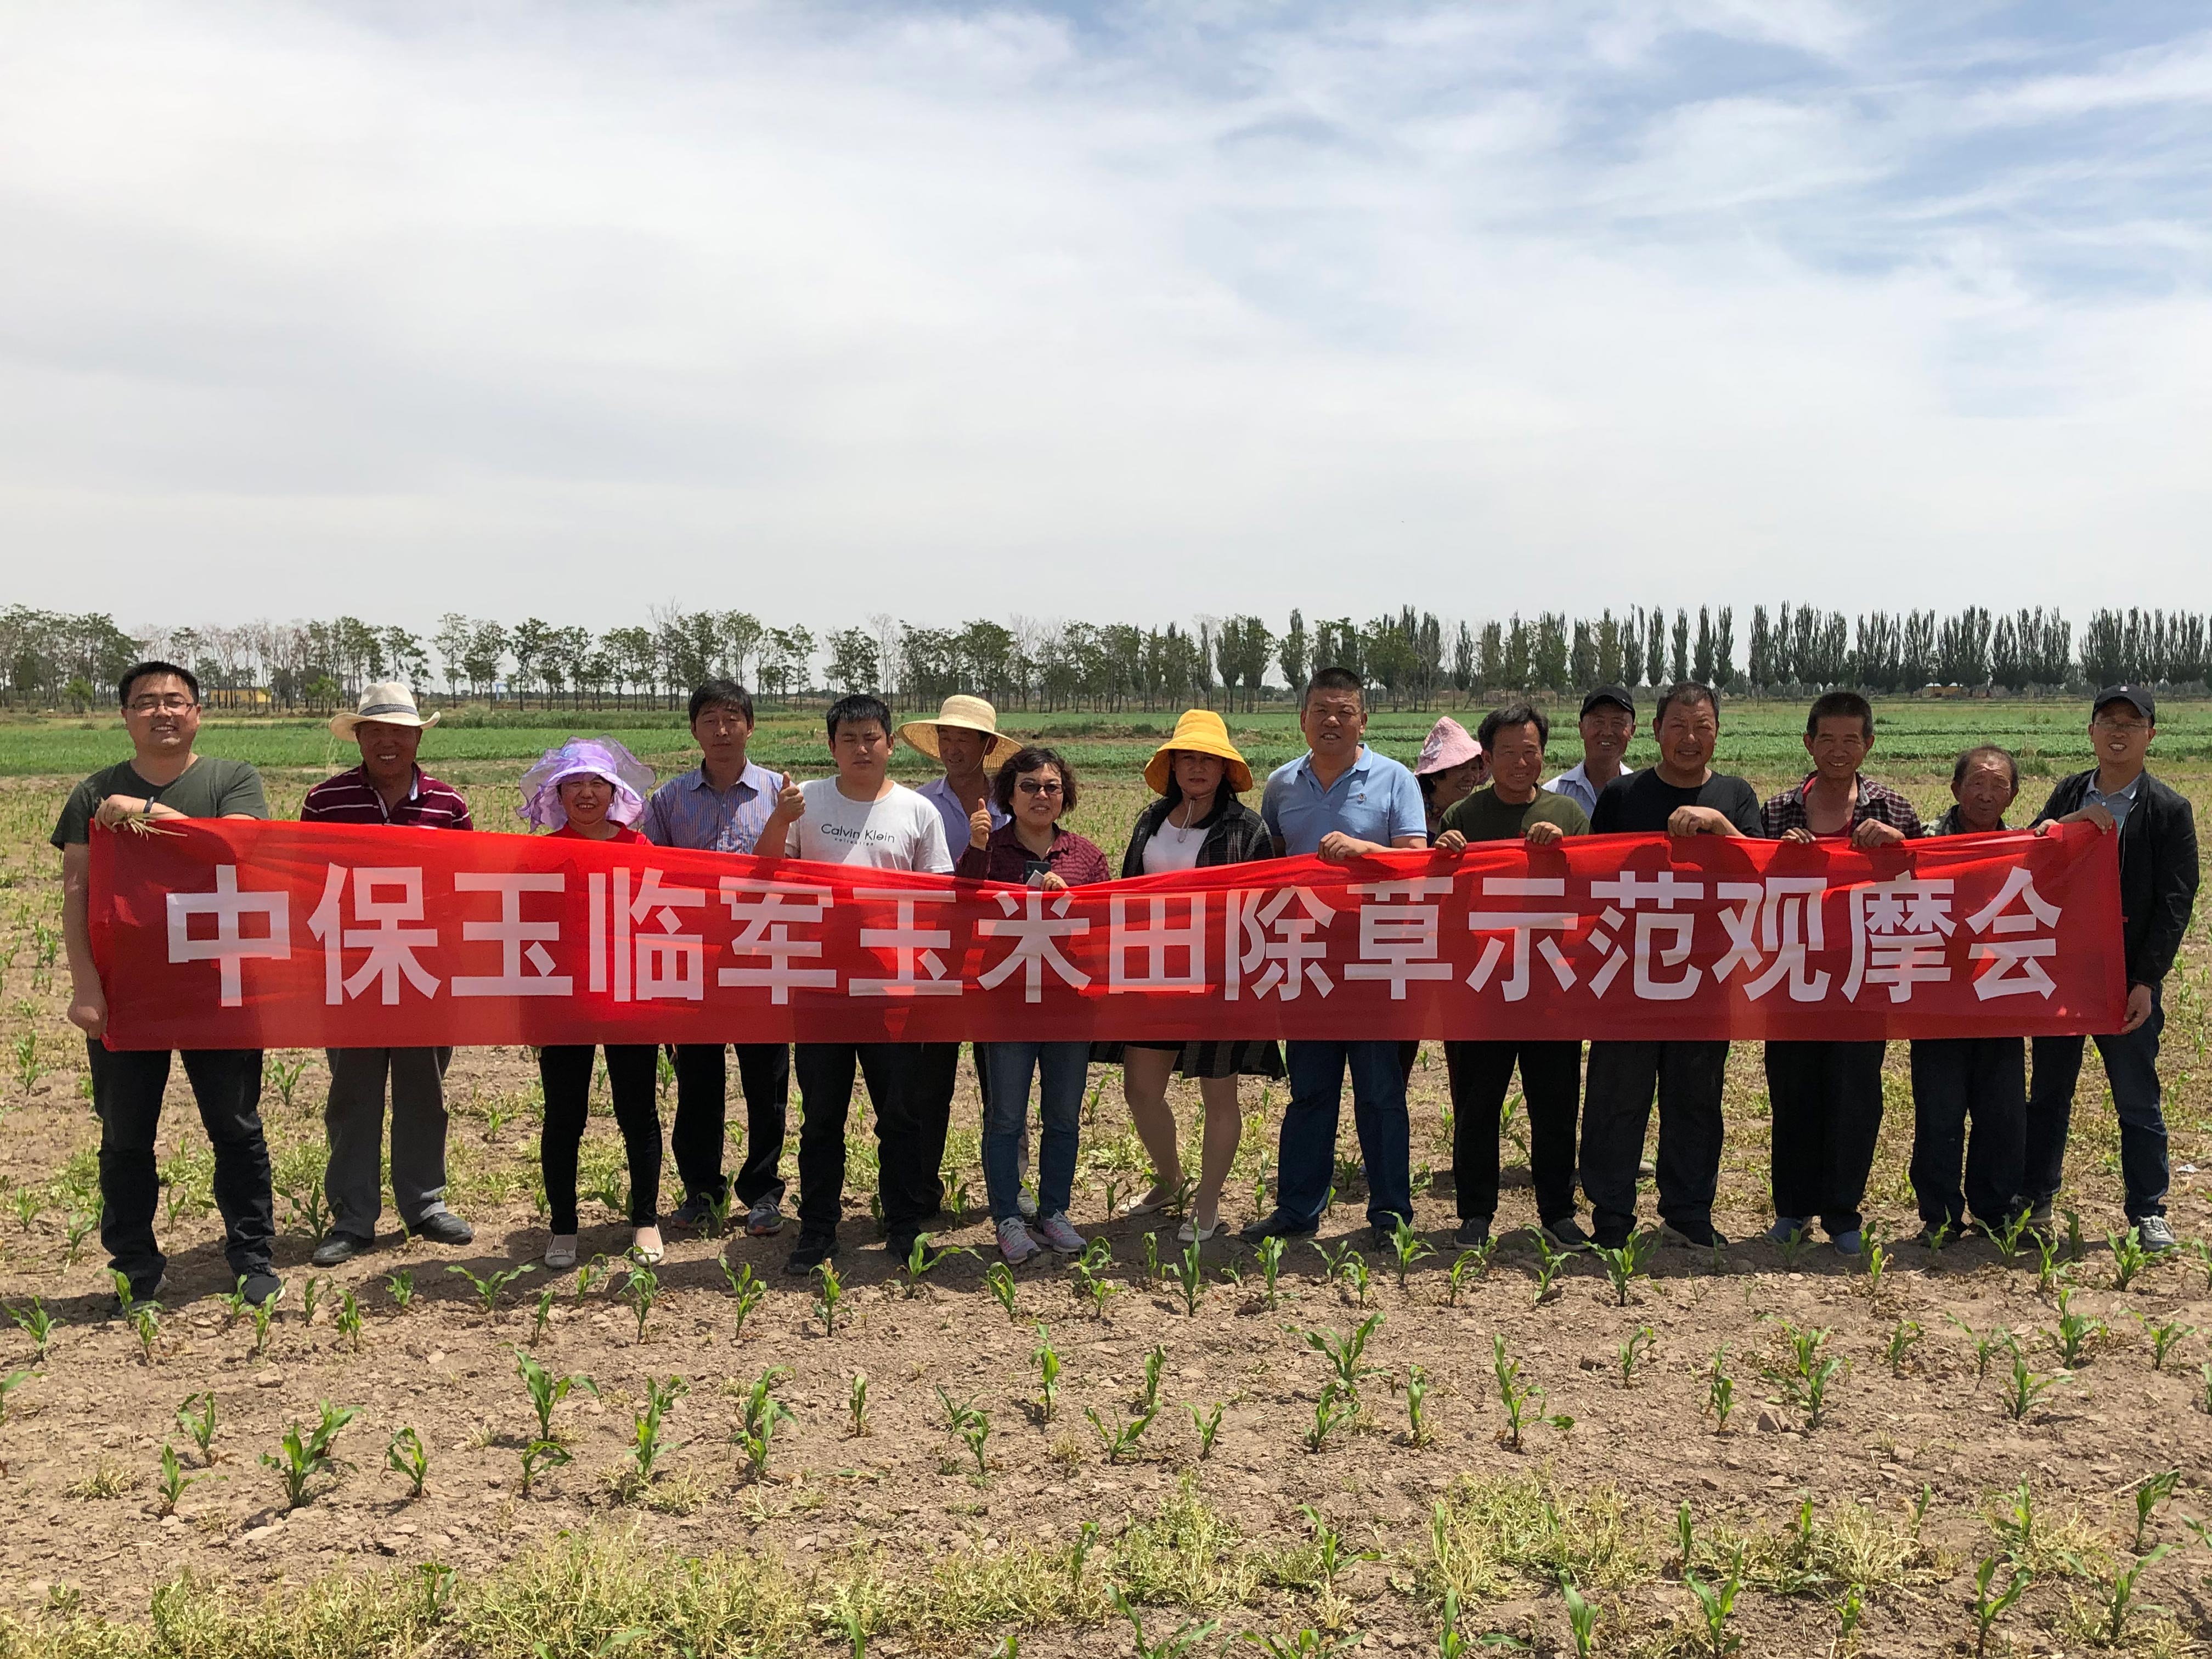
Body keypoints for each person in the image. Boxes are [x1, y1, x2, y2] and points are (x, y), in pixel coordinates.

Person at [55, 661, 279, 1306]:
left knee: (236, 1127)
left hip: (220, 983)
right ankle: (135, 1266)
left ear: (197, 714)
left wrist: (147, 812)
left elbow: (237, 846)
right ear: (126, 717)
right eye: (147, 702)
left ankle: (252, 1255)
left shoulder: (231, 779)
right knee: (126, 1134)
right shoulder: (93, 793)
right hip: (128, 991)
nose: (162, 712)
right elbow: (76, 894)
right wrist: (86, 987)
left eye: (175, 701)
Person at [755, 693, 955, 1273]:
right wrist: (779, 819)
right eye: (849, 739)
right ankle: (818, 1229)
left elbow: (939, 898)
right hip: (819, 987)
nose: (862, 748)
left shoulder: (918, 811)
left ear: (890, 745)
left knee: (900, 1115)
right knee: (822, 1118)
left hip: (892, 990)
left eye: (872, 737)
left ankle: (904, 1224)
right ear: (831, 747)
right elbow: (764, 874)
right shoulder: (805, 801)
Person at [1242, 667, 1427, 1250]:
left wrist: (1362, 850)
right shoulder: (1281, 786)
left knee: (1381, 1094)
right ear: (1302, 719)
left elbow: (1417, 862)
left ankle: (1391, 1214)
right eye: (1321, 710)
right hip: (1307, 962)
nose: (1332, 721)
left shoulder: (1396, 779)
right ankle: (1297, 1210)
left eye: (1345, 711)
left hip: (1376, 958)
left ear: (1363, 721)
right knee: (1310, 1093)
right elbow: (1271, 866)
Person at [299, 682, 477, 1266]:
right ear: (358, 737)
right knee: (353, 1095)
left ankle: (424, 1204)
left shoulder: (449, 806)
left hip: (424, 971)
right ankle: (352, 1218)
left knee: (424, 1090)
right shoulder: (324, 802)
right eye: (375, 731)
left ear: (418, 738)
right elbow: (306, 884)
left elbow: (466, 887)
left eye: (399, 732)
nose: (387, 743)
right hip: (352, 971)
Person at [1582, 681, 1762, 1250]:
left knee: (1696, 1099)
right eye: (1678, 726)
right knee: (1616, 1097)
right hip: (1629, 973)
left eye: (1702, 726)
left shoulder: (1736, 795)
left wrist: (1718, 825)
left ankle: (1689, 1210)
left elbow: (1760, 873)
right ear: (1656, 731)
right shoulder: (1622, 795)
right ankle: (1611, 1215)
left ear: (1718, 733)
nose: (1690, 738)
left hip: (1705, 974)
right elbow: (1592, 877)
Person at [1097, 710, 1282, 1243]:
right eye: (1188, 758)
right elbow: (1128, 891)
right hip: (1152, 975)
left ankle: (1208, 1202)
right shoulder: (1151, 820)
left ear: (1225, 770)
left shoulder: (1247, 829)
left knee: (1218, 1095)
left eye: (1209, 759)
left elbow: (1265, 906)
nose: (1197, 767)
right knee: (1140, 1089)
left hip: (1218, 979)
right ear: (1173, 766)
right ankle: (1171, 1180)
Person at [2024, 686, 2199, 1252]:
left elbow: (2176, 902)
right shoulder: (2069, 792)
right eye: (2108, 721)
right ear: (2091, 732)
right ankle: (2036, 1202)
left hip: (2125, 978)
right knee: (2049, 1093)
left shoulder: (2169, 810)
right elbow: (2030, 851)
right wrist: (2067, 822)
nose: (2118, 732)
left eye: (2131, 723)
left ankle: (2148, 1210)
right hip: (2063, 974)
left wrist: (2147, 981)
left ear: (2151, 734)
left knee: (2136, 1098)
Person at [1754, 691, 1921, 1257]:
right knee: (1792, 1093)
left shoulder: (1894, 811)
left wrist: (1900, 848)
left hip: (1864, 978)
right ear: (1809, 743)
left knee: (1856, 1097)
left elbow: (1932, 884)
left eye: (1851, 739)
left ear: (1869, 744)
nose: (1839, 750)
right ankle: (1793, 1209)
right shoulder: (1777, 812)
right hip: (1791, 974)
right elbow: (1744, 884)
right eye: (1827, 739)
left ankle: (1844, 1212)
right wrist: (1776, 857)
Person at [1432, 702, 1592, 1250]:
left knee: (1556, 1104)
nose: (1520, 762)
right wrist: (1444, 856)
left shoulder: (1567, 814)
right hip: (1484, 985)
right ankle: (1476, 1212)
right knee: (1477, 1104)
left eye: (1530, 751)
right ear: (1487, 758)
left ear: (1544, 753)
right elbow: (1445, 900)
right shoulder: (1463, 818)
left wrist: (1564, 852)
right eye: (1507, 752)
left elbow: (1590, 890)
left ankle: (1557, 1211)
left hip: (1550, 982)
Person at [638, 680, 792, 1239]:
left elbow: (802, 871)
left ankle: (763, 1191)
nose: (722, 730)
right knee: (697, 1083)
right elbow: (649, 877)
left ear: (751, 726)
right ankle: (701, 1192)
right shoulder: (669, 800)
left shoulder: (782, 793)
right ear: (694, 730)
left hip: (764, 956)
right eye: (710, 720)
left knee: (766, 1084)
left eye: (732, 719)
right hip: (694, 961)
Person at [955, 747, 1112, 1262]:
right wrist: (977, 846)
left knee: (1064, 1117)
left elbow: (1107, 927)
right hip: (1008, 1006)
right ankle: (1007, 1217)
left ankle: (1054, 1211)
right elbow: (961, 905)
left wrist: (1073, 903)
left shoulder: (1086, 857)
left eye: (1051, 786)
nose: (1041, 796)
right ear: (1009, 794)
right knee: (1006, 1118)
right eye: (1028, 786)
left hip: (1069, 1007)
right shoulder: (992, 849)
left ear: (1065, 794)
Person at [520, 738, 668, 1267]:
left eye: (597, 783)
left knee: (638, 1112)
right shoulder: (542, 855)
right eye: (575, 784)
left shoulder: (640, 849)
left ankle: (646, 1219)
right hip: (564, 1003)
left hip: (628, 998)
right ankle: (563, 1227)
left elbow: (659, 928)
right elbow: (527, 936)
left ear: (615, 792)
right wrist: (532, 1010)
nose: (587, 793)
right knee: (564, 1116)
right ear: (558, 794)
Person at [898, 695, 1025, 1216]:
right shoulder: (919, 804)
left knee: (1004, 1085)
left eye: (964, 740)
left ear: (988, 747)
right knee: (930, 1083)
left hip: (1001, 958)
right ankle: (921, 1190)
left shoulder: (1015, 802)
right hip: (938, 959)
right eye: (945, 739)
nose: (952, 749)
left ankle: (1010, 1190)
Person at [1907, 746, 2028, 1245]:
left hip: (2000, 998)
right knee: (1939, 1114)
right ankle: (1938, 1216)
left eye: (1999, 785)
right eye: (1976, 782)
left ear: (2013, 796)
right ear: (1955, 789)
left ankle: (1995, 1211)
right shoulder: (1922, 842)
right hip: (1936, 1000)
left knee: (2002, 1113)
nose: (1986, 794)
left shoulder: (2025, 849)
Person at [1545, 686, 1638, 817]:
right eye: (1598, 722)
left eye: (1617, 723)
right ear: (1581, 729)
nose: (1607, 732)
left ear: (1632, 731)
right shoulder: (1554, 794)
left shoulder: (1642, 793)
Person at [1413, 716, 1486, 842]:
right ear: (1435, 776)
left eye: (1474, 768)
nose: (1470, 777)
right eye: (1462, 768)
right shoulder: (1412, 814)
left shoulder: (1477, 814)